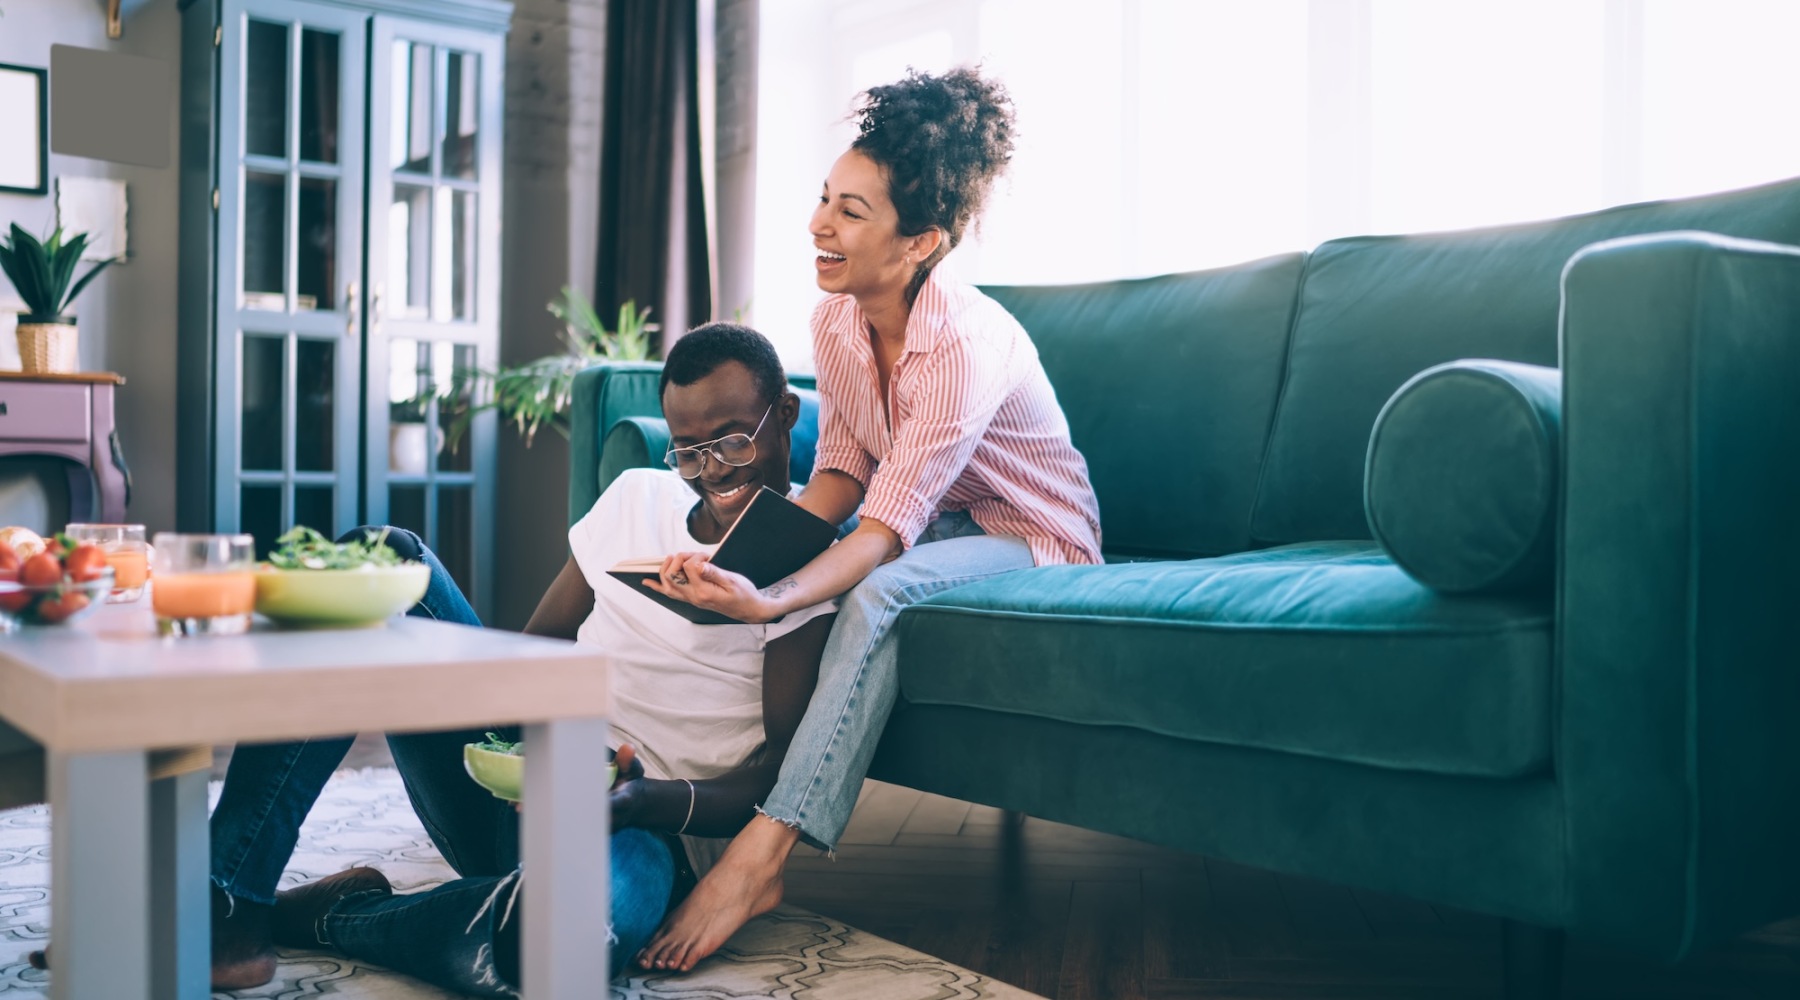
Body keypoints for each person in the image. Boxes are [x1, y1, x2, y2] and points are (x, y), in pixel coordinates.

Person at [41, 324, 836, 994]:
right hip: (515, 782)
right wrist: (503, 735)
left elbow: (769, 785)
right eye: (690, 451)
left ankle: (310, 916)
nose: (714, 472)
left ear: (785, 415)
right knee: (379, 558)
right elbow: (526, 659)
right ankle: (226, 898)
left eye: (733, 439)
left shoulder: (801, 562)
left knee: (560, 947)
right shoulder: (635, 496)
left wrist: (633, 799)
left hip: (644, 832)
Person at [635, 67, 1103, 972]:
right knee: (799, 577)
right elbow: (843, 472)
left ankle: (761, 856)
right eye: (823, 199)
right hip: (937, 529)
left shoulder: (964, 342)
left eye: (851, 212)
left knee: (872, 591)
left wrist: (772, 601)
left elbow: (884, 532)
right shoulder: (837, 323)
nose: (819, 224)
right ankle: (689, 792)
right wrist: (743, 563)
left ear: (920, 240)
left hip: (1034, 535)